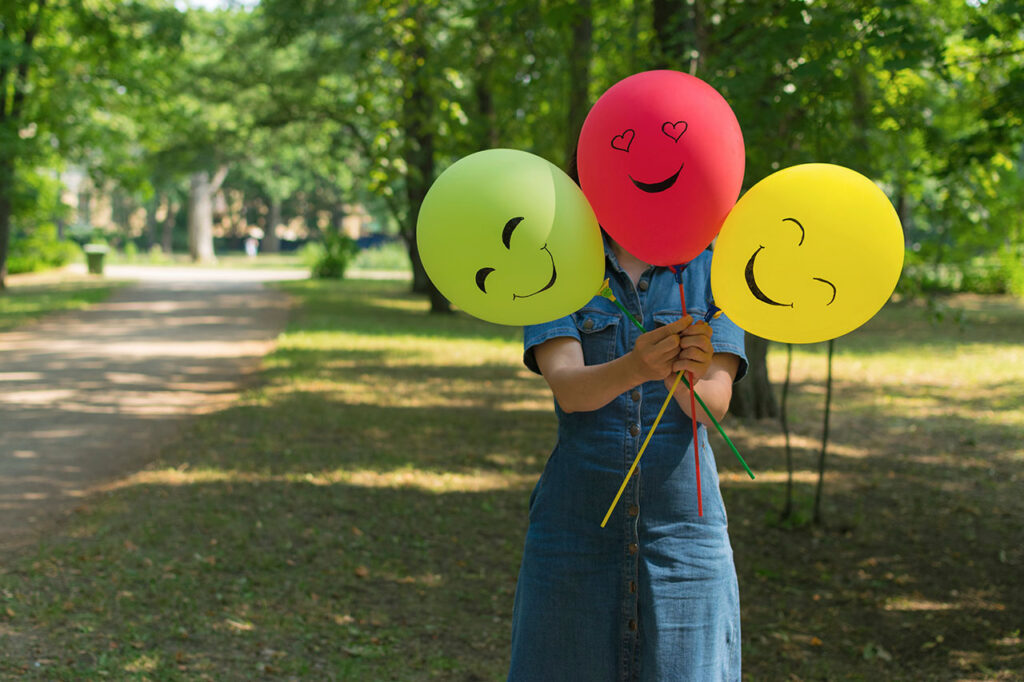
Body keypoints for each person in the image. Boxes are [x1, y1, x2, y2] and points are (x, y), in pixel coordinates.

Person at [508, 231, 748, 681]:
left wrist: (692, 374)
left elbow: (712, 405)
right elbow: (570, 388)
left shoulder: (718, 270)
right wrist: (637, 367)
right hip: (573, 532)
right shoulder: (553, 264)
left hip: (685, 537)